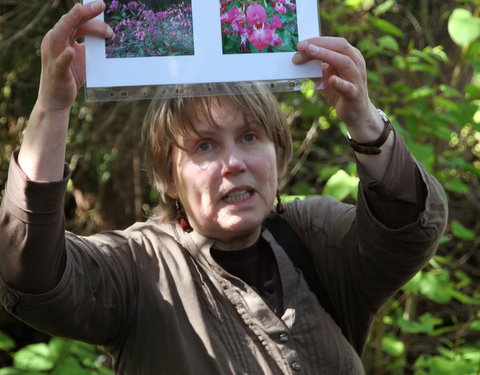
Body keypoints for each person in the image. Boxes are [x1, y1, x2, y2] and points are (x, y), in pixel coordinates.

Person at [0, 1, 447, 374]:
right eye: (204, 146)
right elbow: (33, 277)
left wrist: (365, 122)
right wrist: (51, 110)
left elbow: (409, 230)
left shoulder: (314, 235)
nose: (233, 163)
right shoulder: (139, 268)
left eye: (250, 137)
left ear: (279, 152)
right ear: (168, 179)